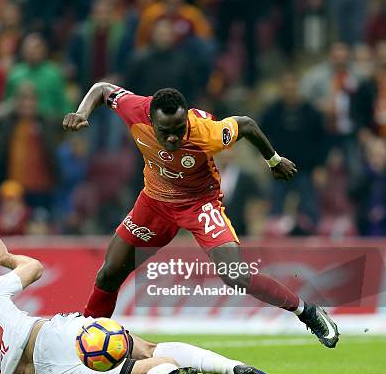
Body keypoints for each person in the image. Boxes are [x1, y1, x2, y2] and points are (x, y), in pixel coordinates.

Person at [62, 83, 340, 348]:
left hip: (199, 204)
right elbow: (102, 89)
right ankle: (84, 340)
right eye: (165, 131)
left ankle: (307, 311)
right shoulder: (134, 109)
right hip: (154, 202)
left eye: (179, 129)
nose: (173, 137)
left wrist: (274, 160)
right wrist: (82, 112)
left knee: (235, 274)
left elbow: (246, 124)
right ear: (150, 119)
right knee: (109, 274)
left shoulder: (207, 132)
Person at [0, 225, 276, 374]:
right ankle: (232, 368)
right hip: (53, 339)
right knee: (147, 348)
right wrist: (4, 258)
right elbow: (34, 268)